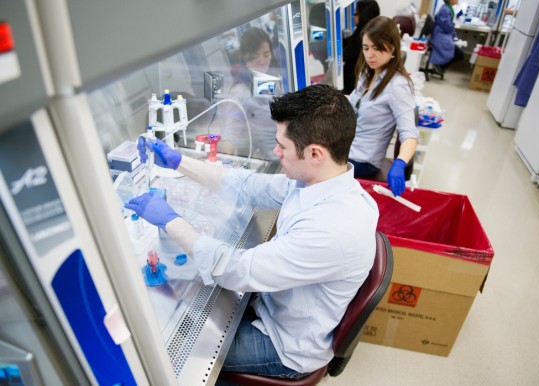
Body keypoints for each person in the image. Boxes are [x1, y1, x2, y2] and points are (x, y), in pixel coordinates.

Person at [125, 84, 379, 380]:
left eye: (282, 146)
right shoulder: (321, 182)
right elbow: (248, 186)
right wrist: (180, 162)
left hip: (284, 346)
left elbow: (233, 269)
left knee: (166, 352)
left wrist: (170, 220)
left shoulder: (330, 229)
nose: (276, 151)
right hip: (275, 308)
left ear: (314, 153)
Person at [348, 16, 418, 197]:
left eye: (377, 48)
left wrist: (400, 163)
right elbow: (351, 103)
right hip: (347, 148)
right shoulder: (367, 74)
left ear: (393, 47)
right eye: (366, 48)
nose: (370, 54)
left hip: (363, 160)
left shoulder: (397, 85)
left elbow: (409, 134)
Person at [216, 27, 280, 161]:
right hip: (273, 159)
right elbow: (232, 128)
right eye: (255, 56)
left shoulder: (270, 78)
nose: (262, 61)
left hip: (285, 149)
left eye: (266, 54)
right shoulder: (240, 91)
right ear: (245, 58)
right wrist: (226, 150)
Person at [342, 0, 380, 95]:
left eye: (355, 14)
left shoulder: (363, 37)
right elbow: (350, 42)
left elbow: (344, 55)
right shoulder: (372, 32)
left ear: (363, 16)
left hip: (352, 83)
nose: (353, 17)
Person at [429, 0, 465, 74]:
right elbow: (447, 27)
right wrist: (455, 20)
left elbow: (449, 28)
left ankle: (440, 66)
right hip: (440, 37)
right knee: (460, 54)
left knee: (459, 52)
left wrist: (455, 37)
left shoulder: (449, 9)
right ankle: (439, 66)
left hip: (444, 35)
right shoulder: (445, 10)